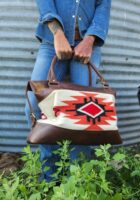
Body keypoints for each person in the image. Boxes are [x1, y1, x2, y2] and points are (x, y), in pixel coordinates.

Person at [24, 0, 111, 182]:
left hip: (87, 45)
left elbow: (103, 6)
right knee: (35, 105)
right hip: (51, 41)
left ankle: (78, 177)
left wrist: (89, 40)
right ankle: (51, 176)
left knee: (83, 114)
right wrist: (57, 32)